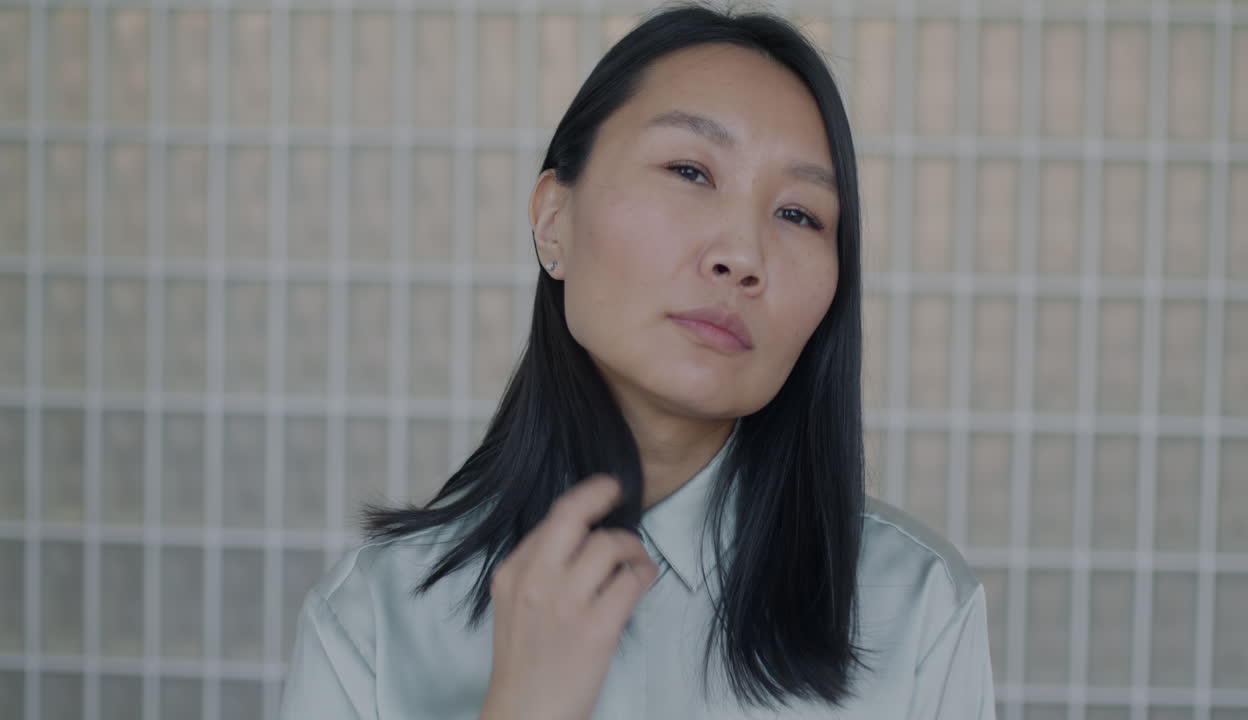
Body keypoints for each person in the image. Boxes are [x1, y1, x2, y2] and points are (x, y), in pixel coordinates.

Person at [279, 4, 995, 719]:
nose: (742, 256)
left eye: (800, 214)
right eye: (689, 170)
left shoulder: (916, 608)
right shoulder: (378, 619)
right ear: (552, 220)